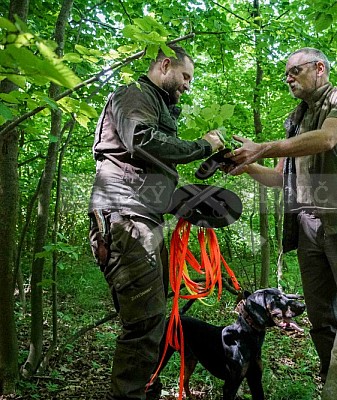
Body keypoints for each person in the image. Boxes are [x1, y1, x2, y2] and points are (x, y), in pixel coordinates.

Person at [226, 48, 337, 400]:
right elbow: (280, 179)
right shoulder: (295, 119)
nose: (289, 77)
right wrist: (246, 165)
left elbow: (328, 138)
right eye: (286, 73)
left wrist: (264, 147)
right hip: (306, 227)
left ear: (319, 68)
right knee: (322, 323)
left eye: (295, 70)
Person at [88, 44, 224, 400]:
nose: (188, 86)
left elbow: (149, 165)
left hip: (142, 217)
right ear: (165, 65)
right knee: (145, 324)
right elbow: (142, 140)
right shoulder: (133, 95)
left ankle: (147, 391)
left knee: (150, 319)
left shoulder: (155, 105)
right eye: (185, 76)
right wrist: (202, 146)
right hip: (126, 218)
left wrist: (190, 202)